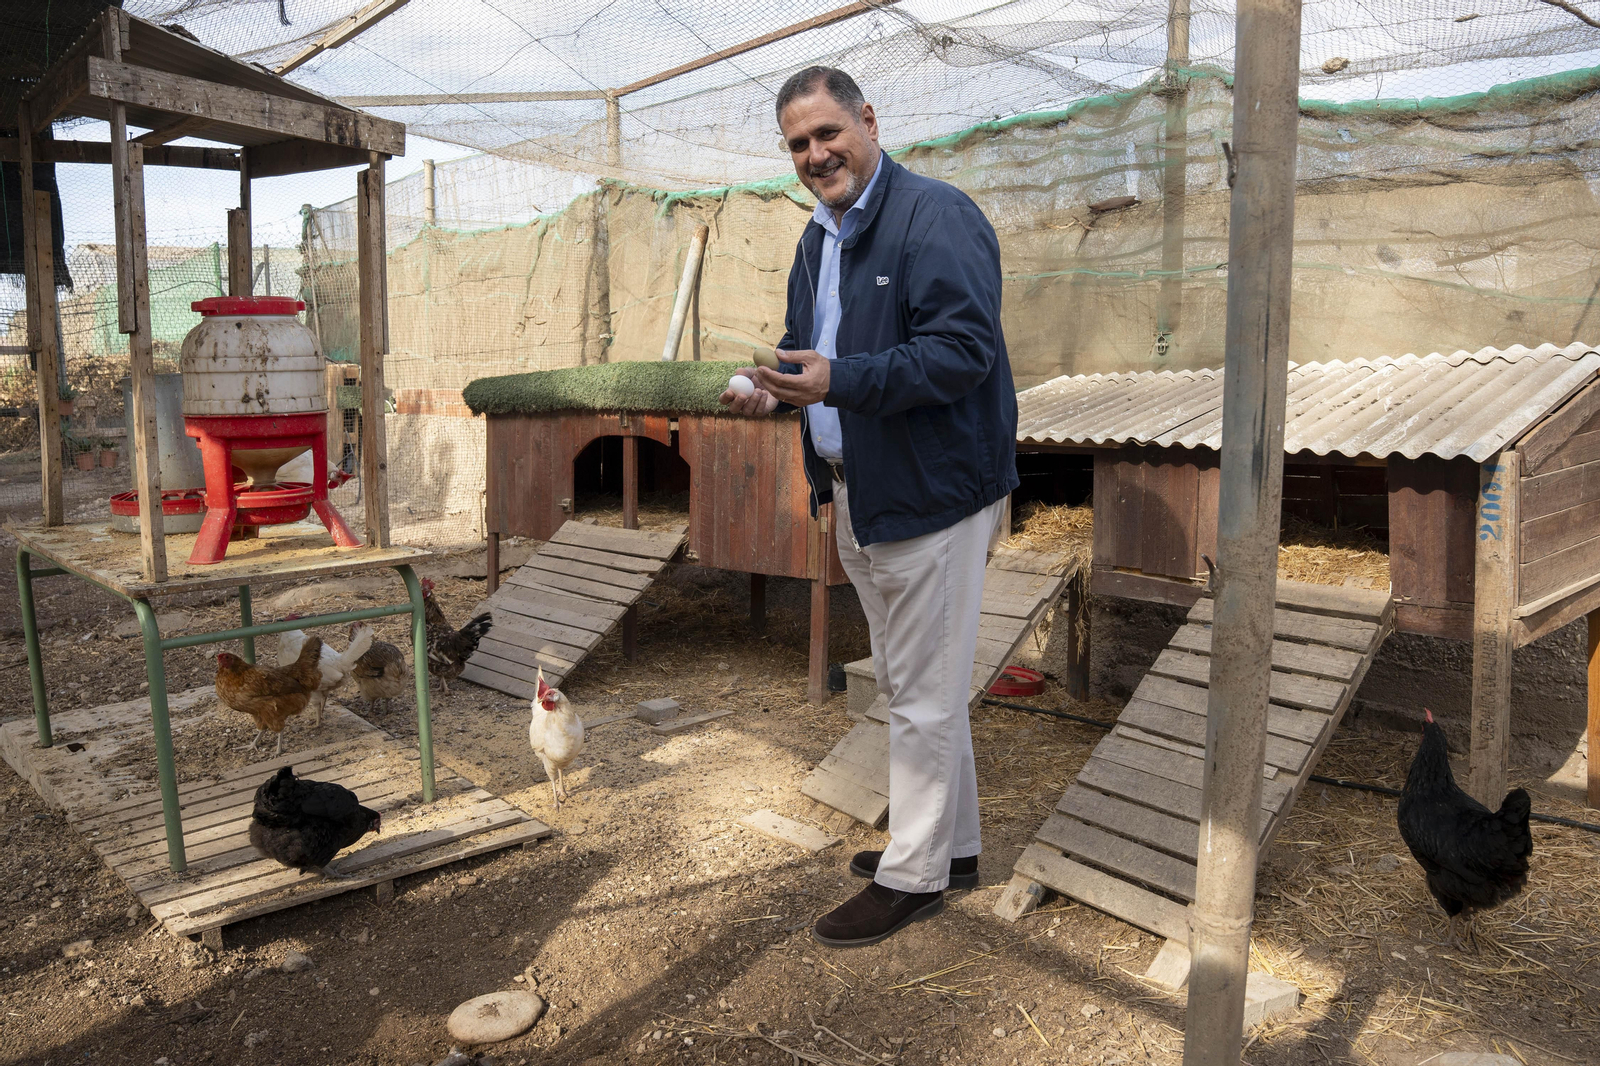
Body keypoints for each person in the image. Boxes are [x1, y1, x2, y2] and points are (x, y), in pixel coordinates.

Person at [719, 66, 1019, 947]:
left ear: (867, 121)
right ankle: (953, 849)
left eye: (827, 134)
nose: (816, 155)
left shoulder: (938, 217)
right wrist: (772, 388)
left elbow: (963, 352)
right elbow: (806, 356)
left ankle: (916, 873)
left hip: (932, 493)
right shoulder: (818, 240)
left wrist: (839, 380)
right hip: (860, 495)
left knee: (922, 697)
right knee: (911, 687)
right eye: (799, 145)